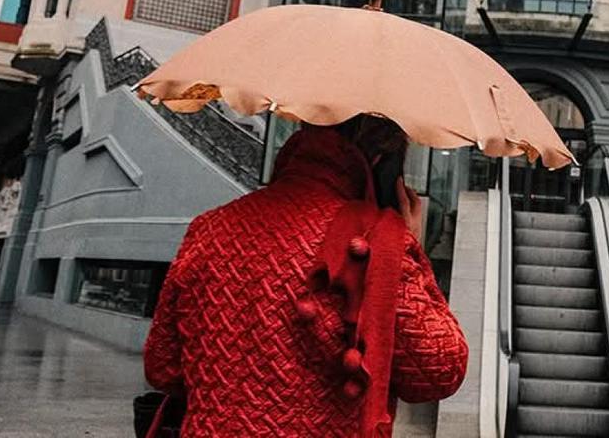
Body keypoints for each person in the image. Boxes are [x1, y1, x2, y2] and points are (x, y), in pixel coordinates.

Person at [144, 117, 468, 437]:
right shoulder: (376, 243)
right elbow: (439, 370)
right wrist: (403, 248)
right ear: (381, 161)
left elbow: (162, 367)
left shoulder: (207, 229)